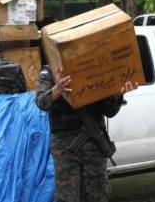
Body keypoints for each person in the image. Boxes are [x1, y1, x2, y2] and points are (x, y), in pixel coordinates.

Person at [35, 66, 138, 202]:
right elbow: (41, 102)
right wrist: (56, 90)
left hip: (94, 142)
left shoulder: (97, 66)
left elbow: (109, 112)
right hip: (65, 147)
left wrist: (117, 95)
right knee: (67, 197)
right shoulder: (51, 70)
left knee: (98, 195)